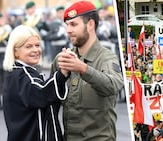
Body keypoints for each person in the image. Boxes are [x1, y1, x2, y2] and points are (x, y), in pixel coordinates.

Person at [50, 1, 124, 140]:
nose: (68, 30)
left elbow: (113, 86)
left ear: (90, 24)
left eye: (74, 24)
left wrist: (83, 69)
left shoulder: (106, 58)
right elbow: (50, 103)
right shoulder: (62, 59)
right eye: (67, 25)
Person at [2, 25, 69, 141]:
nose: (35, 50)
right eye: (28, 46)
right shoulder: (22, 74)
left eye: (37, 45)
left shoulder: (14, 73)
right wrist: (62, 73)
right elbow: (41, 95)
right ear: (15, 51)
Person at [0, 13, 12, 109]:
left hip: (4, 57)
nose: (2, 21)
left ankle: (6, 102)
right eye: (1, 19)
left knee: (6, 81)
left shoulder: (7, 30)